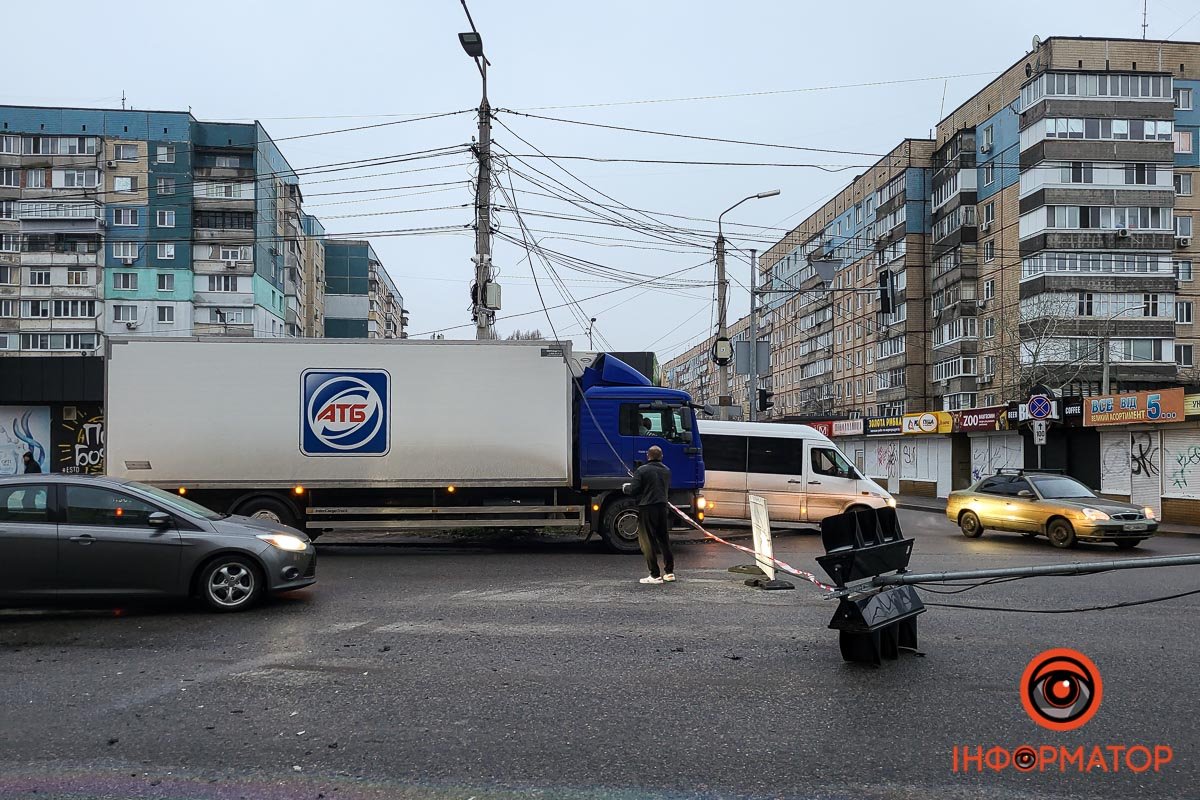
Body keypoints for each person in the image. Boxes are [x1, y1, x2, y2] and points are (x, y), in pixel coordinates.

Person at [623, 445, 674, 584]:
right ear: (661, 456)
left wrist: (625, 487)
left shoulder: (642, 470)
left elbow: (634, 490)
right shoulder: (667, 471)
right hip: (662, 508)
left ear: (648, 456)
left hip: (647, 508)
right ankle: (669, 572)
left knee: (647, 541)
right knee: (664, 540)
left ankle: (654, 574)